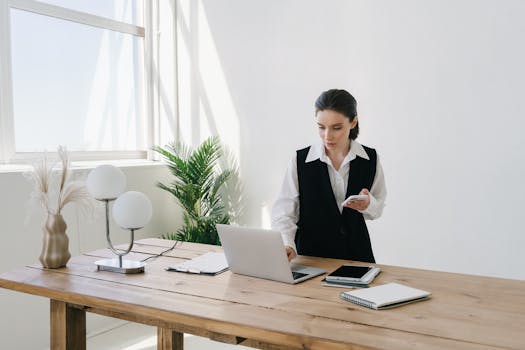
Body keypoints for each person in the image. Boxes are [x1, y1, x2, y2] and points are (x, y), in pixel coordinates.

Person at [271, 89, 386, 263]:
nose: (327, 136)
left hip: (357, 258)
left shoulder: (370, 159)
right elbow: (284, 213)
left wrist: (369, 204)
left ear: (353, 122)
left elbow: (378, 208)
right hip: (311, 259)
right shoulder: (300, 160)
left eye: (336, 128)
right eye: (321, 127)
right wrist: (287, 244)